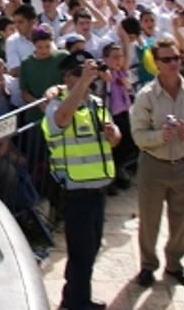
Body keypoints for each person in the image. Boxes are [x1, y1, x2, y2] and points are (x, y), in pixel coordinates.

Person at [43, 51, 120, 310]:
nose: (84, 77)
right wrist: (81, 85)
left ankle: (75, 297)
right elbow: (62, 119)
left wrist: (113, 134)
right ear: (66, 77)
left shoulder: (96, 103)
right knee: (81, 252)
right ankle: (77, 303)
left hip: (98, 188)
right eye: (77, 73)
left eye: (86, 72)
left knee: (90, 250)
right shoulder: (57, 104)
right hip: (76, 191)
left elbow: (114, 137)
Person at [129, 40, 184, 289]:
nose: (173, 63)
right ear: (156, 63)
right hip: (155, 165)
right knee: (150, 219)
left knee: (182, 219)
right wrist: (159, 137)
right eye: (167, 59)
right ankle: (147, 265)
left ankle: (174, 264)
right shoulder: (146, 96)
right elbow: (138, 135)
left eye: (176, 58)